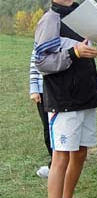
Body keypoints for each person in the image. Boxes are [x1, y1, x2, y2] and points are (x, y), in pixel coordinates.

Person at [34, 0, 97, 198]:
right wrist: (73, 52)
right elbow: (42, 62)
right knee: (61, 157)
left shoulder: (81, 17)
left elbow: (89, 54)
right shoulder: (49, 21)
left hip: (86, 97)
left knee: (81, 152)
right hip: (63, 100)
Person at [30, 48, 52, 178]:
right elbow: (34, 62)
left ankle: (56, 165)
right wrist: (34, 88)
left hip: (63, 90)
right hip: (43, 90)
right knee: (48, 128)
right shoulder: (42, 37)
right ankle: (54, 163)